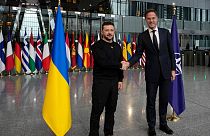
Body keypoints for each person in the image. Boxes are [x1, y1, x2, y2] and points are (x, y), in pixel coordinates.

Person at [121, 9, 176, 136]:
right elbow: (138, 54)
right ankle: (151, 126)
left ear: (157, 19)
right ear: (146, 20)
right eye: (149, 19)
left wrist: (173, 69)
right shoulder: (143, 36)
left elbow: (171, 53)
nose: (151, 20)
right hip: (151, 73)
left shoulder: (165, 33)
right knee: (150, 101)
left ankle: (163, 124)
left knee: (163, 99)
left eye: (153, 18)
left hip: (166, 73)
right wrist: (129, 63)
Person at [89, 21, 123, 136]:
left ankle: (108, 133)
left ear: (114, 31)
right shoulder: (96, 46)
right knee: (97, 111)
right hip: (101, 83)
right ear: (102, 32)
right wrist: (120, 65)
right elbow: (104, 63)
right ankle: (93, 134)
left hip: (114, 83)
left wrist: (120, 79)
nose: (109, 32)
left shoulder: (118, 46)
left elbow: (120, 63)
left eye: (111, 30)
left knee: (111, 110)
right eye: (107, 30)